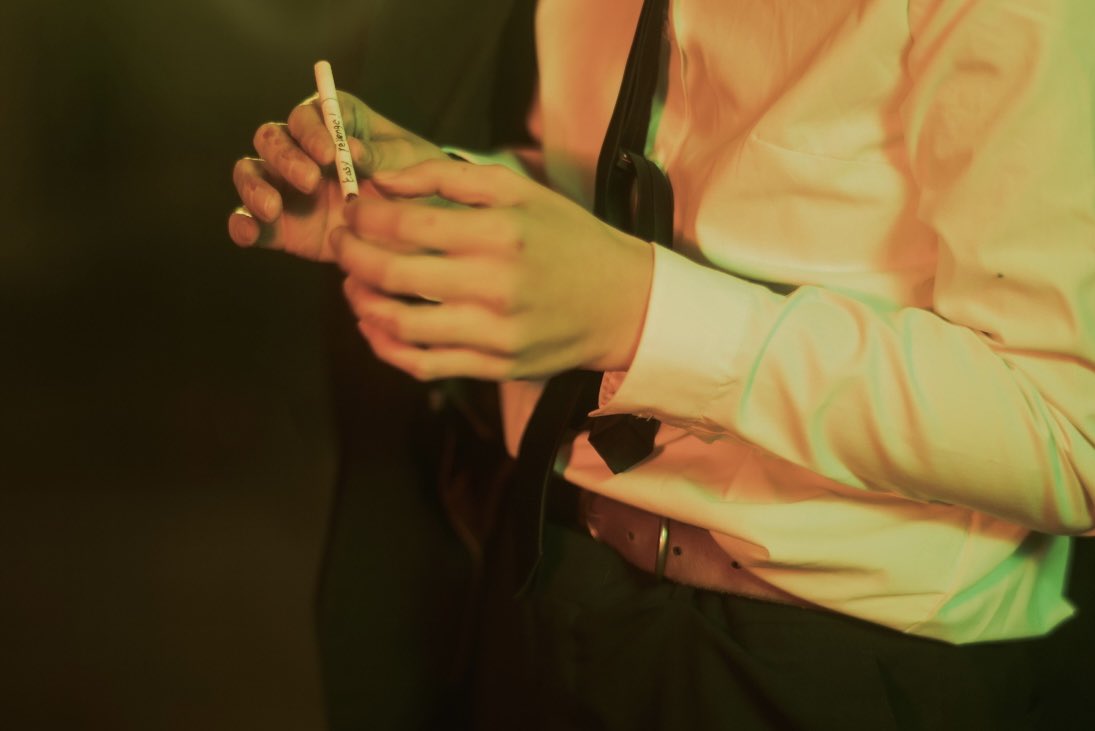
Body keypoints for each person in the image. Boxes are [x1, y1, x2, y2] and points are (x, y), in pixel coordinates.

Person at [229, 0, 1095, 728]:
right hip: (549, 578)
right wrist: (438, 203)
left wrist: (641, 313)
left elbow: (1072, 430)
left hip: (840, 664)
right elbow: (607, 191)